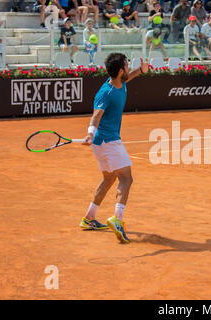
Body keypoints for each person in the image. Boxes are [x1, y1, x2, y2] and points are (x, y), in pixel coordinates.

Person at [81, 53, 149, 244]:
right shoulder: (106, 93)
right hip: (108, 141)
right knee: (126, 178)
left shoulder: (120, 82)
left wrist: (140, 71)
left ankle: (89, 218)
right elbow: (96, 115)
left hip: (102, 143)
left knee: (109, 178)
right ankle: (117, 220)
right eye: (127, 66)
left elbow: (130, 78)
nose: (129, 68)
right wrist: (90, 133)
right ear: (120, 71)